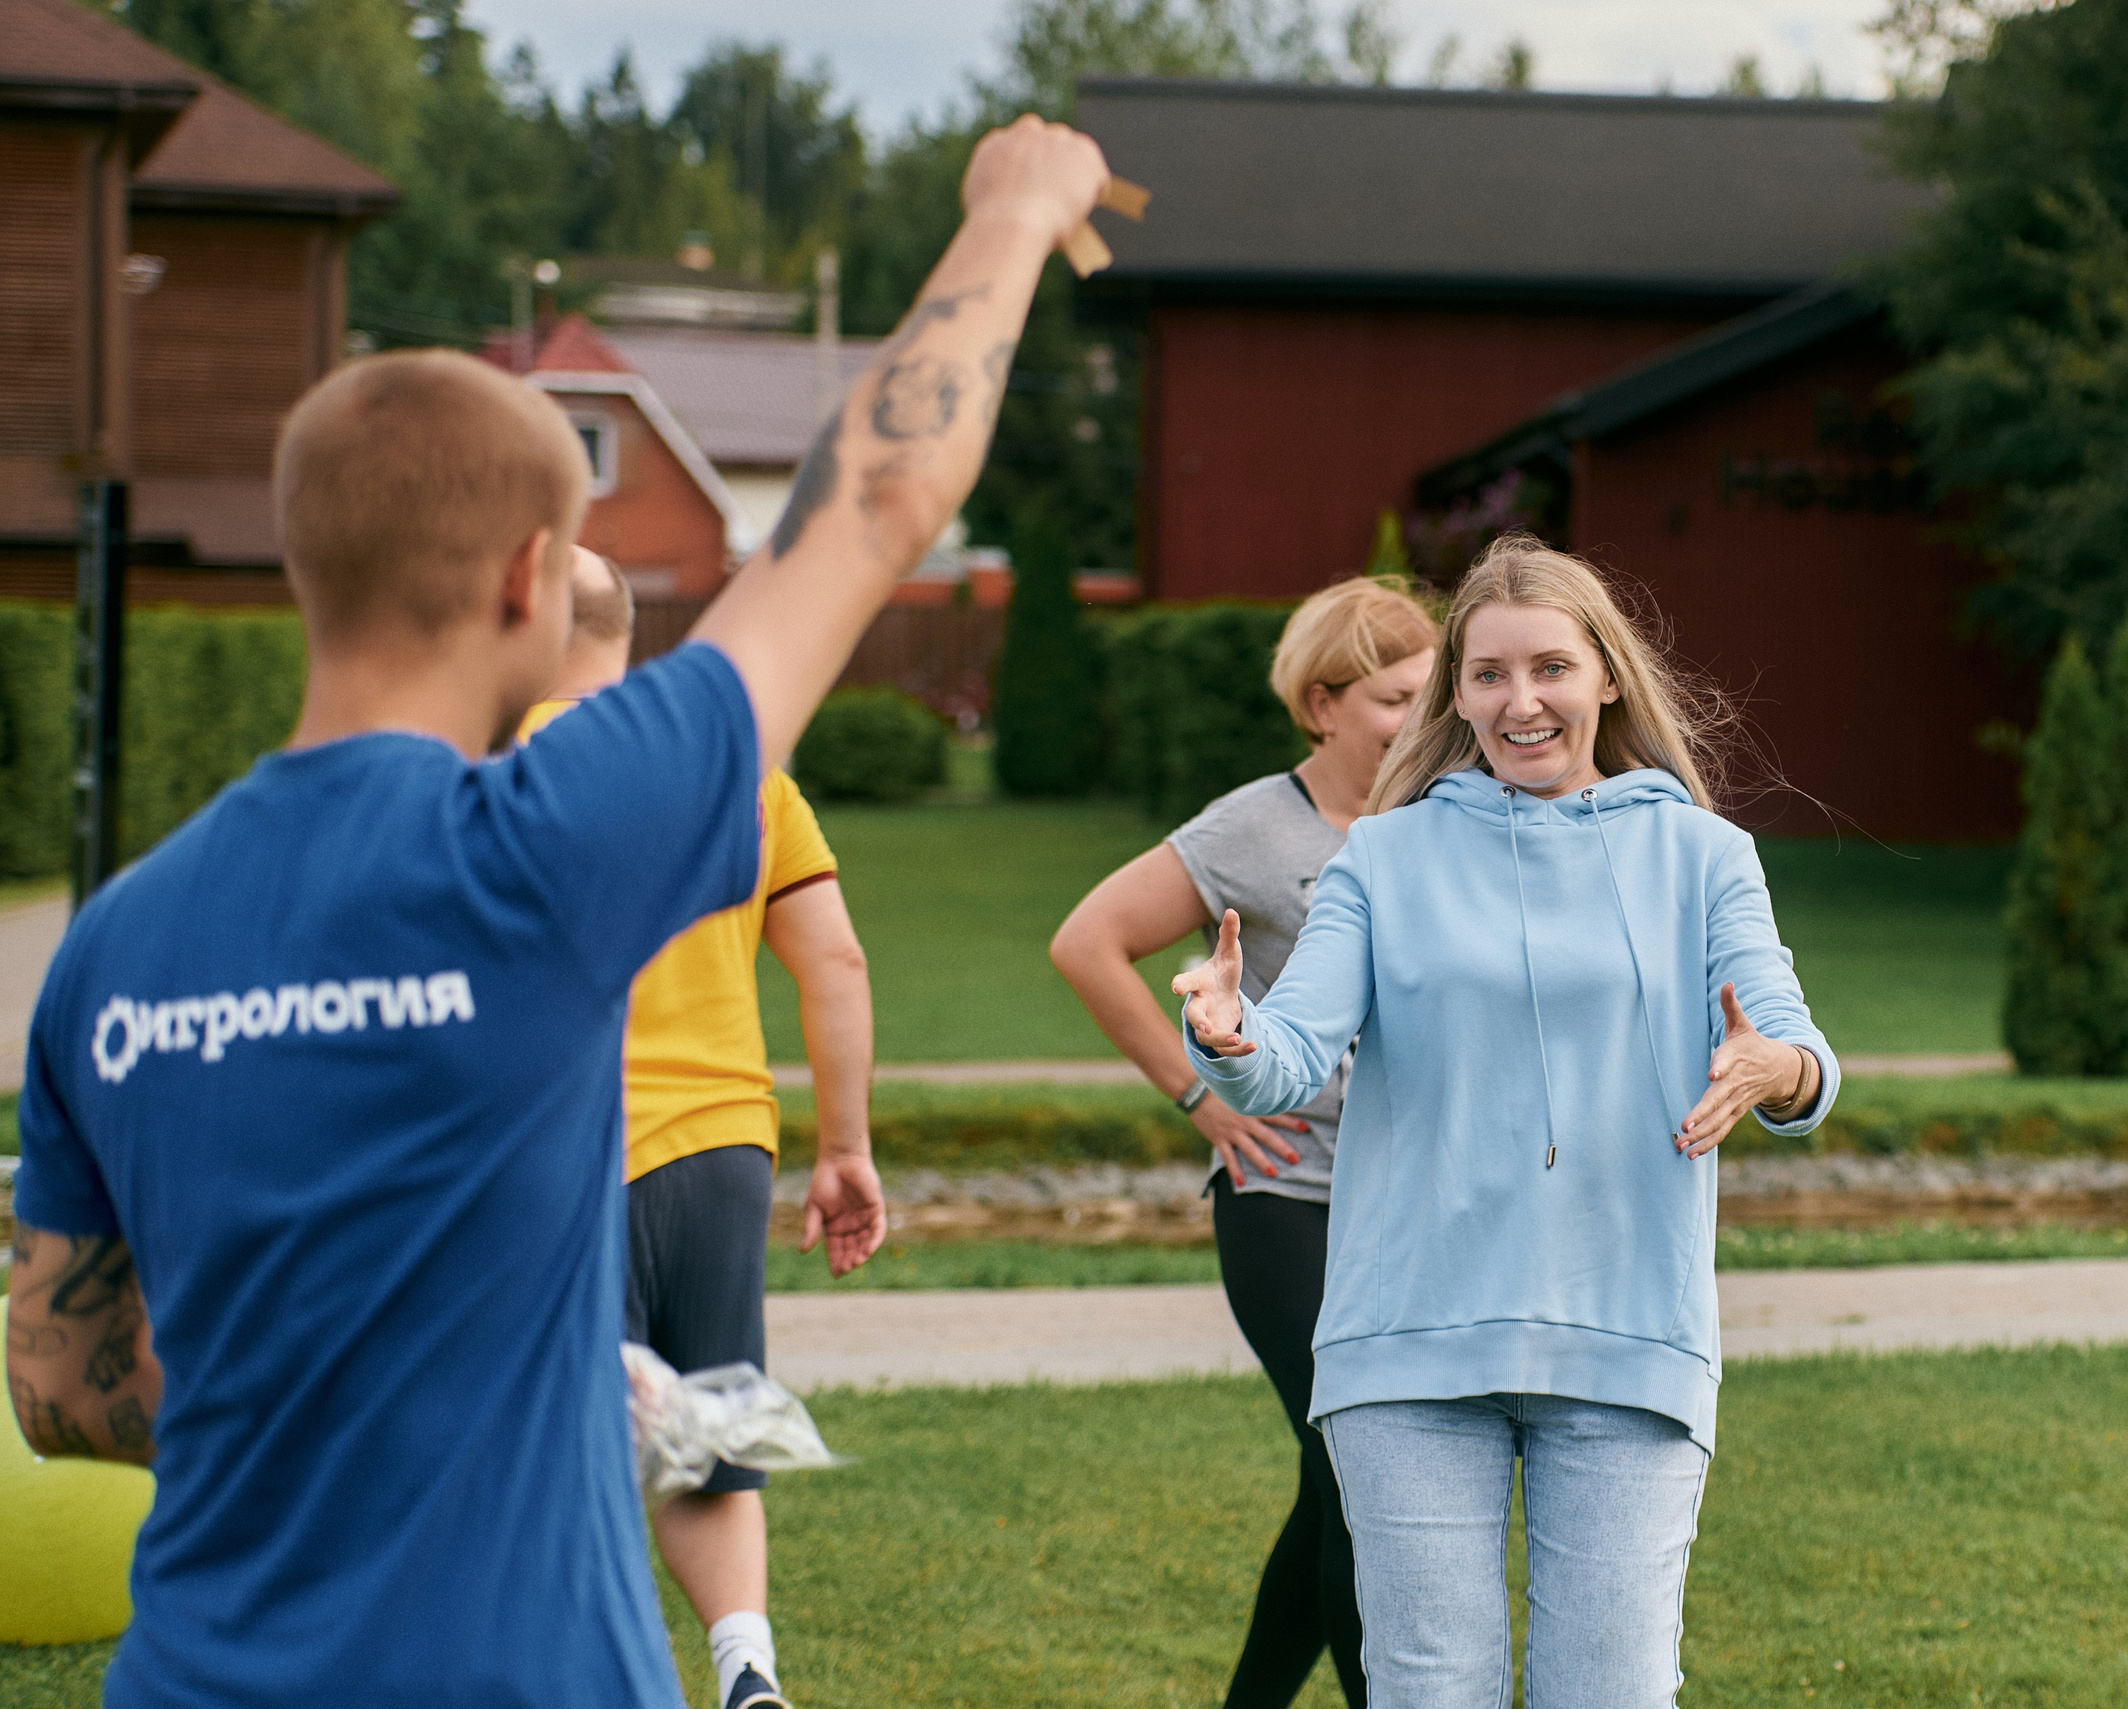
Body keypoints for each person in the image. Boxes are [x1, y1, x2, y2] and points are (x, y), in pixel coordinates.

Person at [5, 116, 1109, 1708]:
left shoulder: (110, 943)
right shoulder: (546, 849)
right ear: (535, 577)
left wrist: (331, 1391)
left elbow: (58, 1389)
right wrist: (1013, 212)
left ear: (305, 565)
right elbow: (876, 503)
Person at [1172, 536, 1842, 1707]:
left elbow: (1799, 1051)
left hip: (1627, 1334)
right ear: (1456, 693)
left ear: (1607, 677)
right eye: (1487, 674)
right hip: (1407, 1343)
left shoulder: (1702, 854)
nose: (1519, 700)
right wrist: (1226, 1034)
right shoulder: (1381, 856)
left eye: (1549, 667)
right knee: (1430, 1689)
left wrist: (1769, 1066)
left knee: (1613, 1689)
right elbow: (1285, 1059)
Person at [1051, 576, 1437, 1709]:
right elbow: (1088, 942)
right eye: (1392, 699)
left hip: (1410, 1198)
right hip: (1286, 1193)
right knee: (1351, 1462)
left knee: (1345, 1477)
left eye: (1430, 697)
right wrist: (1200, 1094)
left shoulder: (1447, 817)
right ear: (1321, 703)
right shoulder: (1251, 829)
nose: (1419, 722)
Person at [521, 548, 884, 1709]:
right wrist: (844, 1147)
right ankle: (747, 1667)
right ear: (627, 628)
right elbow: (834, 955)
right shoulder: (739, 770)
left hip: (561, 1155)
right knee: (707, 1430)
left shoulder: (480, 762)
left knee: (559, 1447)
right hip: (724, 1145)